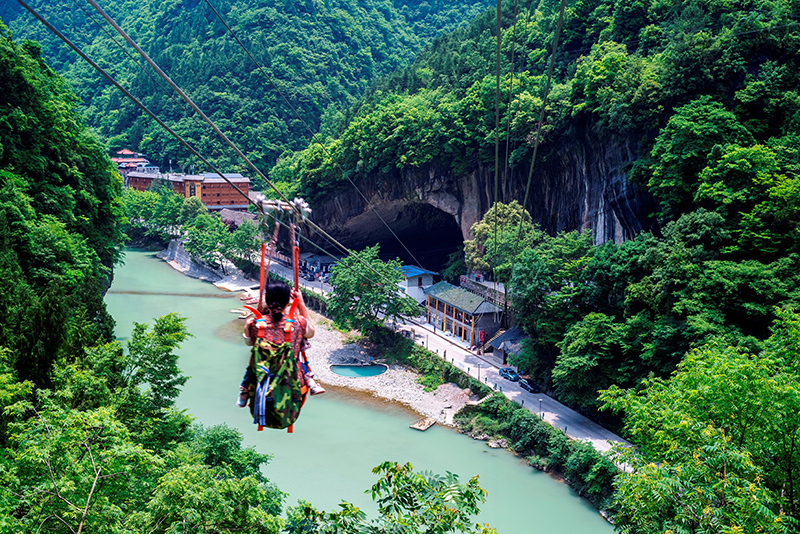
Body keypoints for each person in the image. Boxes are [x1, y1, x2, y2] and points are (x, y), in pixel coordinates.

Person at [238, 279, 324, 407]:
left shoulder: (256, 324)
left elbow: (250, 343)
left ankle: (244, 392)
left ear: (266, 298)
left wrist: (247, 328)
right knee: (297, 361)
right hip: (291, 379)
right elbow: (310, 333)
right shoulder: (298, 322)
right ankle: (310, 381)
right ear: (288, 300)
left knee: (252, 365)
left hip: (263, 378)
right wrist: (300, 303)